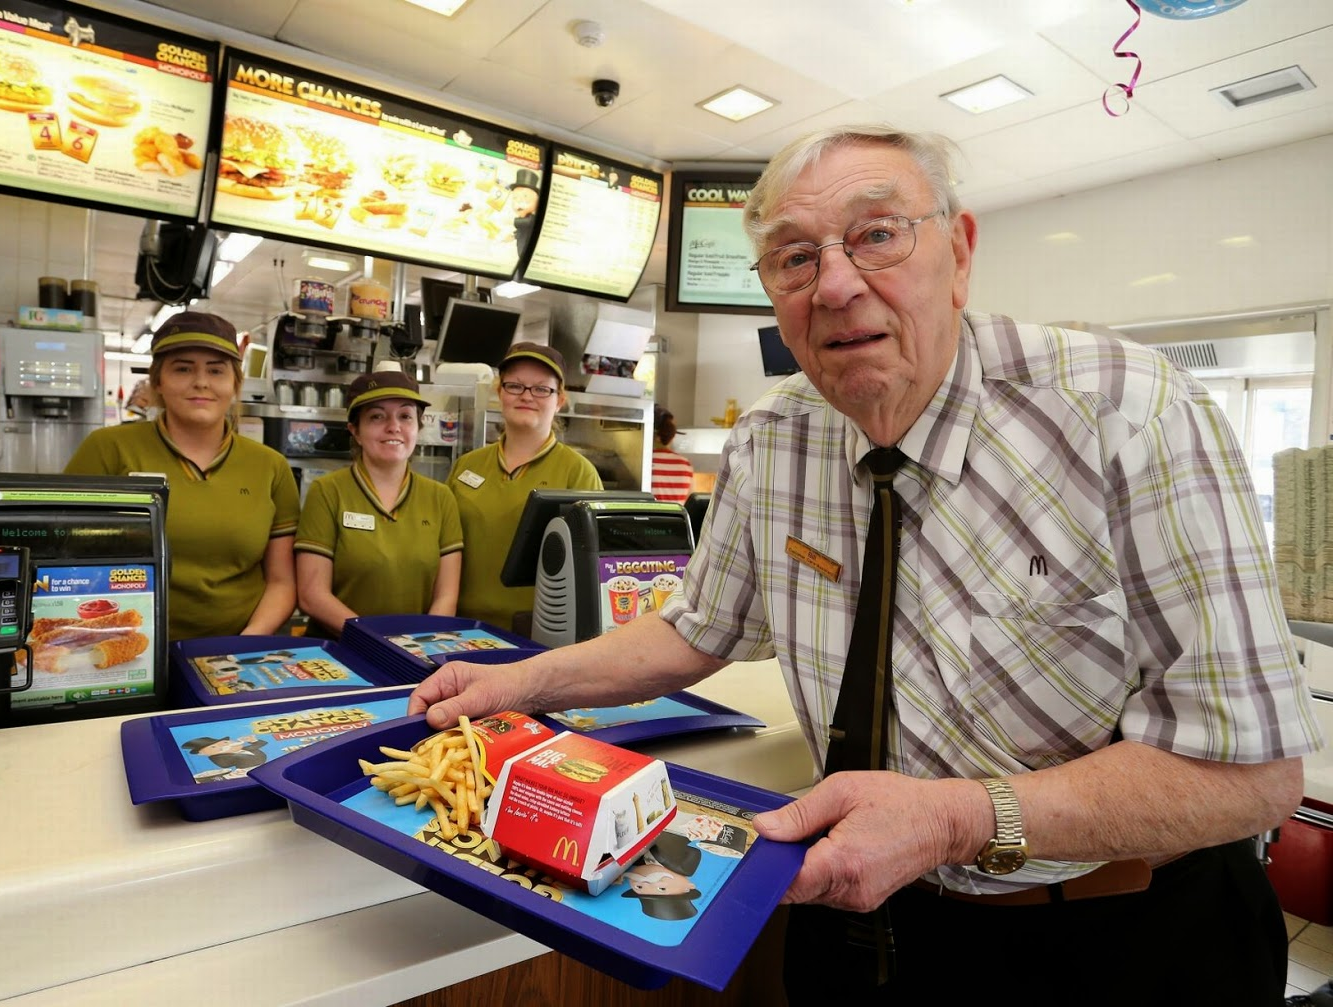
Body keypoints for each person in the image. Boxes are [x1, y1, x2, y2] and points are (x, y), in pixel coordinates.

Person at [409, 125, 1324, 1003]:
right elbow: (692, 632)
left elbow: (1254, 773)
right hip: (863, 932)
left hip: (1119, 935)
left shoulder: (1128, 411)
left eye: (877, 234)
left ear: (959, 253)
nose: (836, 285)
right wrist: (517, 683)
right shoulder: (773, 438)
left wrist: (958, 818)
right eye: (795, 257)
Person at [65, 311, 298, 642]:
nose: (201, 382)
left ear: (234, 383)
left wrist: (246, 642)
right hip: (125, 646)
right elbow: (63, 556)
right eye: (183, 368)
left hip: (237, 650)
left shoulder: (270, 466)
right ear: (158, 381)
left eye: (216, 370)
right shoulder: (109, 448)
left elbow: (281, 581)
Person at [295, 371, 462, 638]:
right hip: (340, 653)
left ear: (418, 427)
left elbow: (446, 597)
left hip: (417, 651)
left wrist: (422, 644)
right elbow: (312, 594)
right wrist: (375, 641)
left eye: (405, 416)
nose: (393, 426)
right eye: (377, 416)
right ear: (355, 431)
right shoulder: (327, 492)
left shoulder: (441, 498)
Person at [448, 343, 601, 631]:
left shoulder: (578, 472)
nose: (527, 396)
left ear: (560, 400)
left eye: (542, 389)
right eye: (515, 386)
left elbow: (588, 571)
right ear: (500, 393)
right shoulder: (466, 466)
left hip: (539, 632)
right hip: (462, 627)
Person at [649, 404, 694, 504]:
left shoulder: (646, 461)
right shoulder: (685, 464)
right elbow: (690, 501)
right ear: (673, 436)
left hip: (651, 518)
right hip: (677, 519)